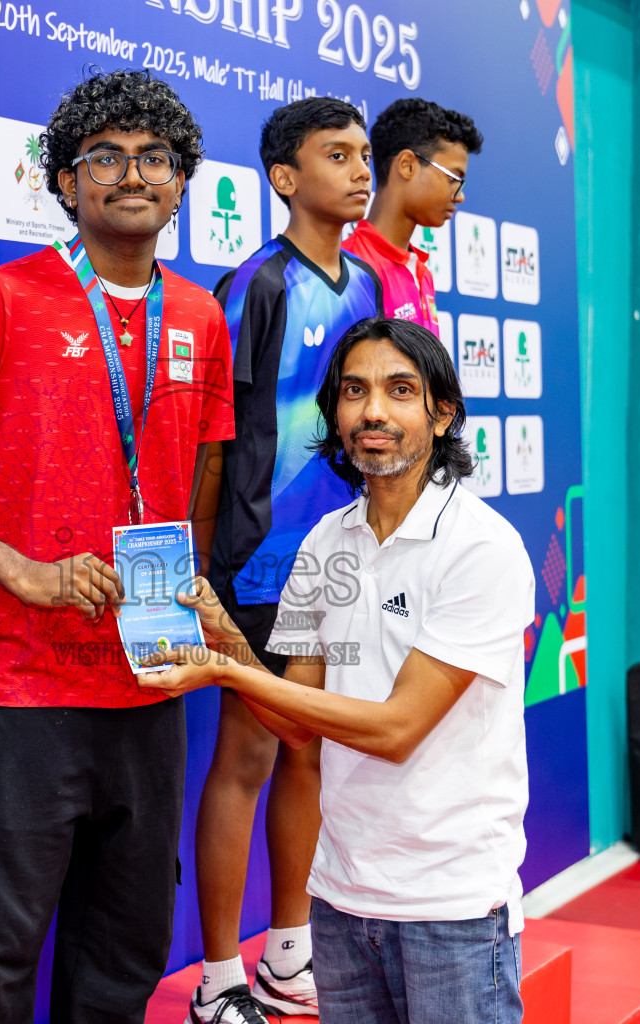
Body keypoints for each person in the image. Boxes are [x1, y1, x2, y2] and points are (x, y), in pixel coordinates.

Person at [0, 70, 233, 1024]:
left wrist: (193, 589)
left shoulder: (201, 316)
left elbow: (203, 472)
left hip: (152, 681)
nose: (131, 174)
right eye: (104, 157)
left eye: (155, 157)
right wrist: (21, 569)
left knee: (125, 955)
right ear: (66, 184)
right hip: (24, 691)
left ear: (183, 181)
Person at [142, 317, 534, 1024]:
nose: (373, 410)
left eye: (399, 390)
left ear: (442, 414)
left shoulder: (483, 548)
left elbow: (395, 730)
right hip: (342, 902)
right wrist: (226, 636)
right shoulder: (327, 543)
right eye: (354, 391)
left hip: (452, 910)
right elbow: (297, 723)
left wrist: (230, 672)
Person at [187, 97, 383, 1024]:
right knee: (248, 752)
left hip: (338, 559)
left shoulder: (368, 288)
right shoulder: (256, 284)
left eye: (363, 155)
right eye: (334, 154)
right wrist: (195, 569)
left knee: (312, 748)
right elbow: (209, 439)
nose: (358, 170)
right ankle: (219, 977)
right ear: (283, 178)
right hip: (257, 564)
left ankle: (289, 954)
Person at [342, 98, 482, 333]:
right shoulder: (351, 268)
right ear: (407, 166)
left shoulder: (421, 272)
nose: (459, 197)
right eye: (453, 179)